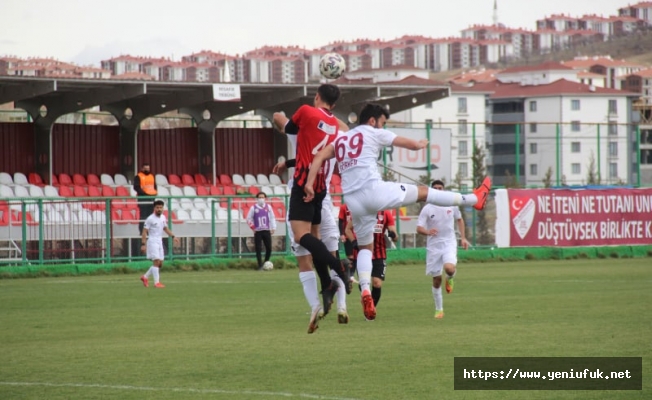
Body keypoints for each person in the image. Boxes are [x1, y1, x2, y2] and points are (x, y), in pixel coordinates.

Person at [304, 103, 491, 321]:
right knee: (424, 193)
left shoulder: (341, 140)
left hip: (353, 201)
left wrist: (309, 184)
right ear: (373, 121)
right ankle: (475, 199)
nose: (382, 125)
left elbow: (317, 158)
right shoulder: (373, 132)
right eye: (382, 122)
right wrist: (419, 144)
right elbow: (406, 143)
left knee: (365, 247)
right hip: (375, 192)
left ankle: (365, 289)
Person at [272, 84, 350, 319]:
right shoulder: (336, 128)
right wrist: (290, 162)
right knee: (319, 243)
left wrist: (287, 122)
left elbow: (281, 120)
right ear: (334, 105)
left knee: (301, 239)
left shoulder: (305, 113)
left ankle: (342, 268)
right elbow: (326, 144)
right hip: (322, 191)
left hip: (303, 185)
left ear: (316, 97)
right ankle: (330, 290)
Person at [417, 180, 469, 319]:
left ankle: (450, 277)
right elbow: (419, 228)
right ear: (432, 190)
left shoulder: (451, 204)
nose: (438, 190)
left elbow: (459, 219)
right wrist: (428, 232)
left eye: (440, 188)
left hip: (449, 243)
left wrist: (463, 238)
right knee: (436, 280)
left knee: (449, 268)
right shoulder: (427, 208)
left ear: (444, 189)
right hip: (434, 247)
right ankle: (439, 309)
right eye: (435, 188)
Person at [345, 209, 397, 310]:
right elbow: (347, 229)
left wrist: (393, 235)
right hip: (363, 253)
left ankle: (370, 309)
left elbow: (395, 236)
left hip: (379, 254)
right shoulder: (361, 211)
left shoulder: (386, 213)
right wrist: (354, 241)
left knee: (377, 283)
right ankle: (368, 304)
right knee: (364, 283)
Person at [140, 200, 180, 288]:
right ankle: (156, 283)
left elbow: (165, 228)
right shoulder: (150, 219)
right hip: (152, 241)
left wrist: (173, 236)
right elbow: (144, 232)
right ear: (154, 208)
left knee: (160, 263)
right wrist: (143, 244)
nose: (159, 209)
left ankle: (145, 277)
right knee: (156, 262)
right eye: (157, 207)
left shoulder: (163, 217)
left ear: (163, 208)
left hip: (159, 241)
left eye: (160, 207)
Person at [246, 192, 277, 271]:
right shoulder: (253, 208)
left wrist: (273, 227)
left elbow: (272, 217)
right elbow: (248, 218)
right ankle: (260, 265)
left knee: (269, 248)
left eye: (262, 197)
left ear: (265, 198)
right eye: (259, 197)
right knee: (258, 249)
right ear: (257, 198)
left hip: (266, 230)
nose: (261, 199)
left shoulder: (268, 207)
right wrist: (253, 227)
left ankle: (265, 263)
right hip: (258, 231)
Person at [133, 163, 158, 234]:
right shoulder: (138, 176)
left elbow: (154, 186)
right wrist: (144, 193)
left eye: (148, 169)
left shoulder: (152, 176)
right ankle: (142, 231)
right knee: (143, 215)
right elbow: (136, 187)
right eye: (145, 169)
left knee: (150, 215)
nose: (147, 170)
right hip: (143, 198)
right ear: (142, 169)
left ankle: (150, 230)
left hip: (151, 198)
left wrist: (155, 193)